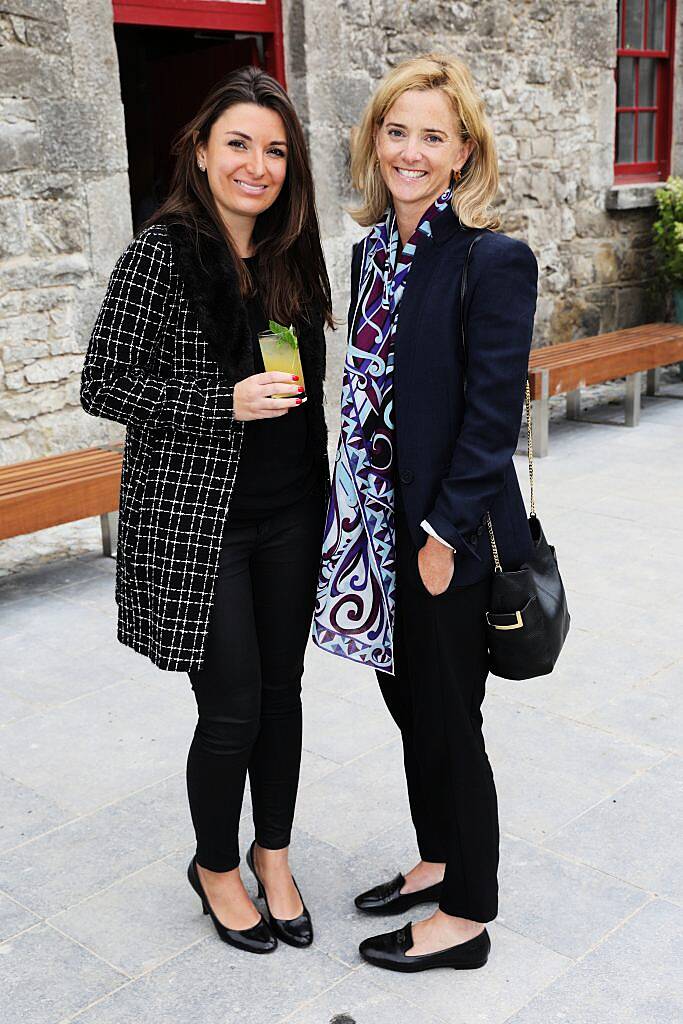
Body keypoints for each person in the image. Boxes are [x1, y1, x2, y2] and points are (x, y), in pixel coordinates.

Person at [81, 67, 333, 955]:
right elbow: (102, 382)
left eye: (274, 149)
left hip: (293, 512)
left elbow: (306, 391)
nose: (256, 165)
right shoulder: (160, 252)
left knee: (283, 695)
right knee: (230, 708)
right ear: (200, 150)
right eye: (238, 144)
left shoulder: (290, 253)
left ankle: (273, 855)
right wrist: (217, 400)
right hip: (202, 523)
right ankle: (214, 866)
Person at [313, 53, 538, 973]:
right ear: (375, 139)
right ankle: (436, 861)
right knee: (409, 706)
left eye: (431, 137)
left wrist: (441, 537)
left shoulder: (491, 257)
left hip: (447, 532)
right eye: (395, 130)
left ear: (461, 153)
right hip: (374, 527)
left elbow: (492, 418)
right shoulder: (371, 253)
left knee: (451, 717)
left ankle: (467, 917)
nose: (409, 150)